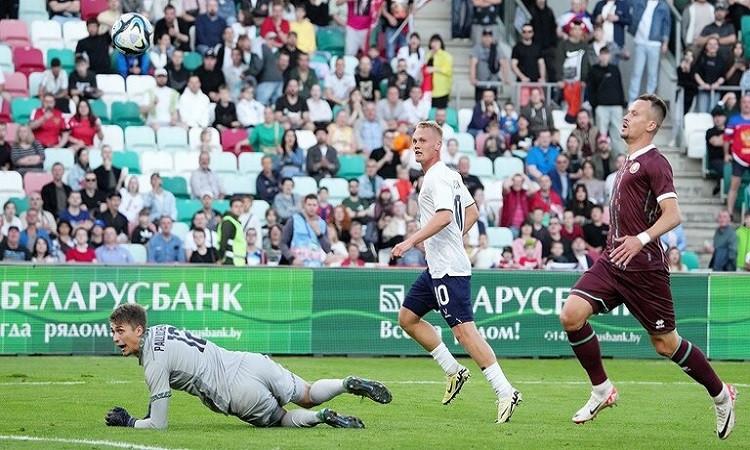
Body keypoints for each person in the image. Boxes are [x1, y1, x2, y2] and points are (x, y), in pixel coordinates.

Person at [559, 94, 737, 438]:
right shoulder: (627, 162)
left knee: (665, 343)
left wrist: (640, 239)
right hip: (613, 261)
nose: (626, 117)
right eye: (626, 111)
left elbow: (674, 215)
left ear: (651, 125)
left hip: (643, 268)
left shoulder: (656, 163)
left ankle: (720, 394)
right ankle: (602, 389)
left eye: (635, 113)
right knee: (570, 314)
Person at [391, 121, 521, 423]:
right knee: (407, 319)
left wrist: (412, 240)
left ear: (438, 145)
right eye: (414, 140)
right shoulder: (451, 175)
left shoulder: (436, 178)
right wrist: (450, 239)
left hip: (449, 269)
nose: (416, 144)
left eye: (423, 140)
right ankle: (454, 370)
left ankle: (505, 391)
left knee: (464, 332)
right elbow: (472, 211)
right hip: (437, 267)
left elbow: (445, 216)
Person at [104, 303, 391, 430]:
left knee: (281, 419)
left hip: (235, 392)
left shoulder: (153, 363)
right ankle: (344, 384)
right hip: (248, 361)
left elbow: (158, 425)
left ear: (138, 330)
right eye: (113, 332)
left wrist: (129, 422)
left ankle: (321, 416)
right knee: (306, 391)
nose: (116, 338)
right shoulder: (164, 329)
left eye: (120, 331)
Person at [627, 0, 671, 103]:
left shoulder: (663, 6)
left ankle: (649, 102)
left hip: (655, 43)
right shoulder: (640, 2)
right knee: (636, 73)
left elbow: (666, 25)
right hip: (640, 41)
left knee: (652, 75)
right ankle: (631, 101)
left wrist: (665, 42)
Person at [280, 194, 330, 267]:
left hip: (317, 265)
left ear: (318, 206)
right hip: (298, 265)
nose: (311, 208)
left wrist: (319, 234)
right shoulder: (294, 220)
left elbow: (327, 248)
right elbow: (282, 243)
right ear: (304, 205)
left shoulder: (322, 223)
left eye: (314, 205)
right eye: (309, 205)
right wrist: (291, 259)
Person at [723, 93, 750, 216]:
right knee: (734, 186)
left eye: (749, 102)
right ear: (740, 104)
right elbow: (726, 139)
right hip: (739, 158)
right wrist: (726, 154)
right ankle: (729, 212)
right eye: (744, 102)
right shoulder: (734, 120)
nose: (747, 105)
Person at [217, 197, 247, 266]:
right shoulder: (228, 222)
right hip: (231, 261)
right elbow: (223, 242)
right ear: (231, 208)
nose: (239, 209)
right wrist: (221, 258)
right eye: (236, 206)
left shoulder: (236, 223)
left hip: (238, 262)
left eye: (241, 206)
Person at [426, 34, 453, 109]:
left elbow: (448, 70)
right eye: (433, 42)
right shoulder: (428, 55)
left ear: (441, 43)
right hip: (429, 90)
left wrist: (435, 69)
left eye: (437, 42)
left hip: (442, 89)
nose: (434, 44)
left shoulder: (446, 55)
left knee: (440, 113)